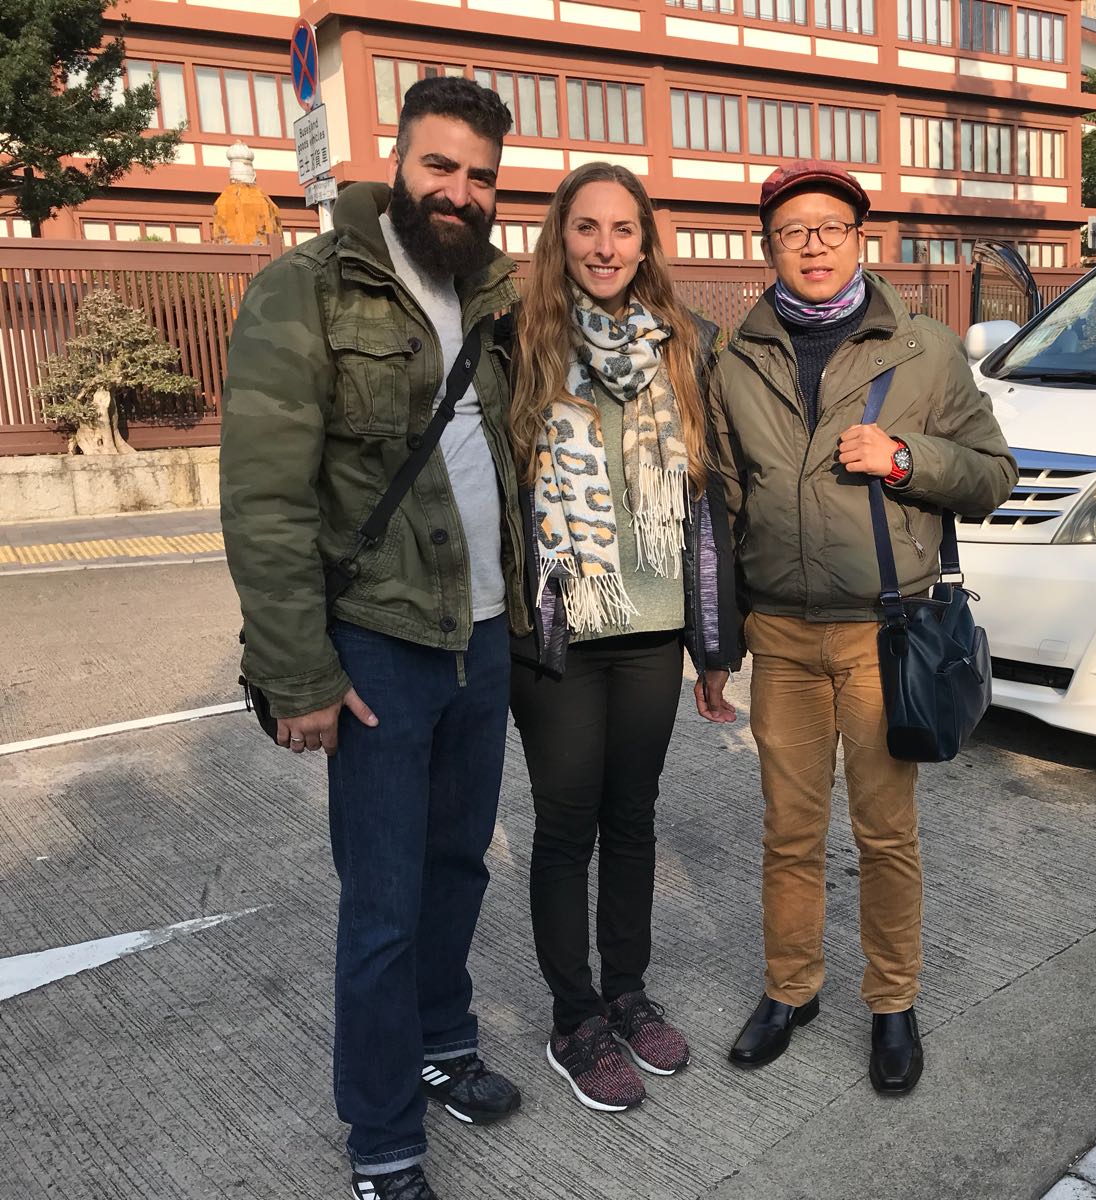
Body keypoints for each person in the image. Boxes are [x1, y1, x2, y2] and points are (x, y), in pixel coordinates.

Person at [220, 77, 526, 1200]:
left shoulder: (485, 288)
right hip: (381, 645)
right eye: (439, 166)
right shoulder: (308, 289)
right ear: (396, 163)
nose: (458, 190)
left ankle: (442, 1045)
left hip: (482, 634)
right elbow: (263, 498)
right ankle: (383, 1138)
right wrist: (297, 670)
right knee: (384, 904)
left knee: (457, 871)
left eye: (480, 175)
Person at [710, 161, 1016, 1095]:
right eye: (792, 230)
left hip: (883, 636)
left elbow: (993, 474)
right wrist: (716, 645)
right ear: (768, 245)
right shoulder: (734, 356)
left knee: (885, 832)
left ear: (858, 241)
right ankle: (790, 988)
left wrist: (903, 458)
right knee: (788, 831)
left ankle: (892, 1002)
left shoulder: (923, 349)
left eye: (829, 229)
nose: (812, 244)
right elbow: (721, 507)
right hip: (782, 638)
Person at [506, 162, 742, 1113]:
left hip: (652, 629)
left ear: (647, 244)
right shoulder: (518, 343)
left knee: (633, 820)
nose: (605, 247)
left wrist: (714, 645)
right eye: (586, 229)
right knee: (565, 827)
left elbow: (709, 503)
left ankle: (627, 992)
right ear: (560, 238)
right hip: (560, 628)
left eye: (623, 230)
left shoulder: (686, 348)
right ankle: (574, 1019)